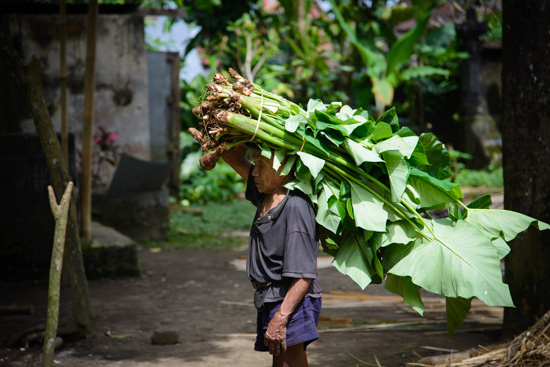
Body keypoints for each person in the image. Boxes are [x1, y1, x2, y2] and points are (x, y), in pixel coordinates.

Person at [223, 144, 322, 367]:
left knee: (286, 364)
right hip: (272, 296)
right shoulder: (266, 193)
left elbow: (304, 274)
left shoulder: (295, 207)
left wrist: (281, 317)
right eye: (254, 163)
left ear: (283, 167)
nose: (254, 172)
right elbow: (232, 158)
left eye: (261, 165)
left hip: (291, 298)